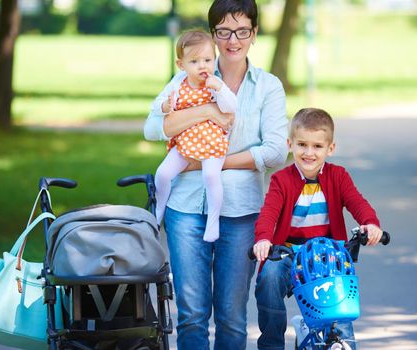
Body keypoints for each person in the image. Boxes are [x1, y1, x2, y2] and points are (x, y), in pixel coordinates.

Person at [143, 0, 288, 348]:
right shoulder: (188, 76)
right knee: (191, 315)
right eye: (223, 31)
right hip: (187, 208)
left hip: (241, 213)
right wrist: (207, 109)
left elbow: (276, 151)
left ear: (254, 33)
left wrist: (214, 160)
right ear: (213, 35)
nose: (232, 40)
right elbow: (151, 128)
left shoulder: (268, 87)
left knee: (232, 317)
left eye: (241, 31)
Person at [251, 108, 384, 350]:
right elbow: (268, 213)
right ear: (290, 144)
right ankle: (271, 343)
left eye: (317, 146)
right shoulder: (281, 180)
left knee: (339, 302)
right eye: (302, 144)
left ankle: (343, 344)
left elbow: (357, 202)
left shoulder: (338, 176)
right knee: (269, 277)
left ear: (330, 148)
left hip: (327, 257)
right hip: (289, 254)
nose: (309, 153)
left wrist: (371, 224)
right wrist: (263, 239)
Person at [152, 29, 237, 242]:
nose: (202, 66)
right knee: (162, 173)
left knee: (211, 176)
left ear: (214, 60)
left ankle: (213, 221)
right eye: (194, 61)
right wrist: (165, 105)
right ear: (181, 65)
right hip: (185, 143)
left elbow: (231, 107)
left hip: (212, 142)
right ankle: (158, 210)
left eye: (208, 60)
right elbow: (155, 105)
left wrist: (220, 89)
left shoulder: (215, 83)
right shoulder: (177, 84)